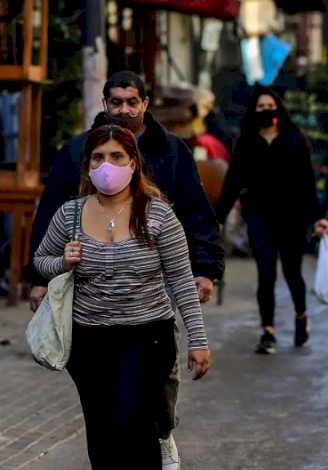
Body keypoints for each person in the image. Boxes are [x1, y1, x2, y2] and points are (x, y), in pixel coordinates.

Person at [25, 70, 223, 470]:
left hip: (147, 334)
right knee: (104, 434)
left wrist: (204, 288)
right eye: (99, 158)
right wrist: (49, 273)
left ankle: (161, 435)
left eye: (117, 157)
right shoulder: (73, 199)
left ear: (134, 163)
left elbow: (193, 233)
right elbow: (44, 244)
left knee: (136, 423)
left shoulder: (166, 179)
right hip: (89, 339)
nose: (124, 109)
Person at [215, 86, 328, 355]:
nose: (266, 111)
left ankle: (301, 317)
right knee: (265, 274)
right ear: (253, 112)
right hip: (259, 217)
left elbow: (306, 182)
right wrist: (218, 218)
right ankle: (268, 331)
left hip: (292, 218)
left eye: (270, 106)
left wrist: (317, 217)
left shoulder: (294, 139)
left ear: (278, 109)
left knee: (293, 273)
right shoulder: (246, 142)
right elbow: (233, 182)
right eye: (260, 107)